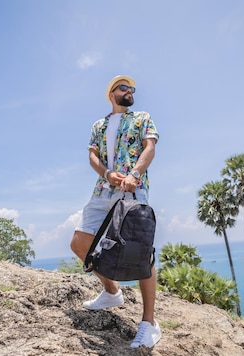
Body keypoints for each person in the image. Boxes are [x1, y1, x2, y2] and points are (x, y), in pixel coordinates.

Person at [70, 75, 161, 349]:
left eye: (132, 88)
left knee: (141, 251)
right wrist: (107, 173)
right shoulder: (98, 125)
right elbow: (93, 156)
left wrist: (134, 173)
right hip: (103, 190)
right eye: (124, 88)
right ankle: (111, 292)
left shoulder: (142, 117)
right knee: (79, 242)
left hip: (133, 189)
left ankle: (149, 323)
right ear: (112, 93)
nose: (130, 91)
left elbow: (150, 148)